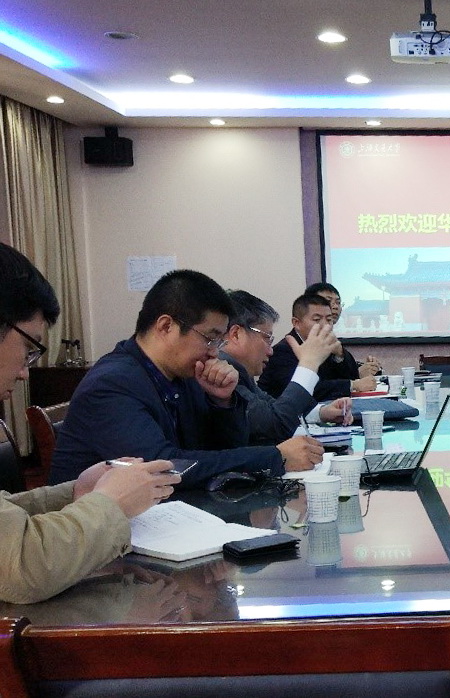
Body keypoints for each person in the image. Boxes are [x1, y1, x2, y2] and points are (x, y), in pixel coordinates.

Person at [0, 242, 180, 604]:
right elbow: (24, 566)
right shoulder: (116, 378)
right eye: (30, 349)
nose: (24, 373)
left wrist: (75, 493)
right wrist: (110, 503)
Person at [51, 270, 322, 488]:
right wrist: (275, 458)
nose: (215, 352)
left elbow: (223, 450)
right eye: (210, 338)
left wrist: (222, 403)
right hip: (99, 529)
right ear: (166, 326)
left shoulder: (185, 374)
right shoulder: (112, 384)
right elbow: (164, 466)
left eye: (219, 341)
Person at [220, 290, 352, 444]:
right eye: (267, 338)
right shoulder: (220, 372)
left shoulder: (239, 371)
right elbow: (275, 426)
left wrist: (322, 413)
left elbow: (271, 406)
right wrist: (309, 364)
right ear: (236, 334)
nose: (270, 351)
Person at [259, 293, 376, 401]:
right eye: (317, 319)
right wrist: (352, 385)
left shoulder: (323, 345)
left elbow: (352, 376)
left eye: (329, 319)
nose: (325, 325)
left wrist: (339, 355)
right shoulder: (283, 350)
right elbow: (304, 391)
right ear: (296, 323)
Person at [304, 282, 382, 377]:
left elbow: (338, 373)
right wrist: (357, 375)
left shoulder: (330, 340)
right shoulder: (293, 346)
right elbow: (320, 382)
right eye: (328, 301)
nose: (335, 306)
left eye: (338, 302)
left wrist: (368, 368)